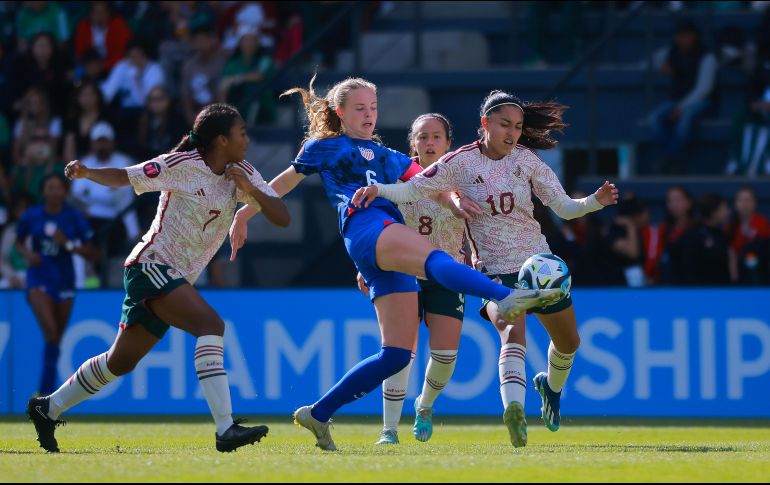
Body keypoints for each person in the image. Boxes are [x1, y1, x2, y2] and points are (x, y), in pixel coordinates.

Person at [228, 77, 560, 451]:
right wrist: (244, 212)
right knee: (433, 258)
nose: (368, 114)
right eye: (359, 108)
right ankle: (507, 296)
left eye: (373, 107)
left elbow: (432, 182)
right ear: (340, 113)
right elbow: (282, 184)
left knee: (397, 354)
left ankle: (318, 414)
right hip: (368, 226)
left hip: (381, 246)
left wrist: (452, 201)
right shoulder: (324, 147)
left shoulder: (389, 157)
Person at [352, 90, 619, 447]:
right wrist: (379, 190)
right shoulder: (459, 163)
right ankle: (515, 413)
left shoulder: (527, 160)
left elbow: (565, 208)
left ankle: (550, 388)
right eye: (505, 125)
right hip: (492, 271)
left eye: (518, 127)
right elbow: (411, 190)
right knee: (512, 333)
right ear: (485, 125)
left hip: (539, 265)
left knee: (569, 342)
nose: (513, 133)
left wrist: (593, 202)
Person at [27, 103, 290, 453]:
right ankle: (225, 429)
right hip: (151, 265)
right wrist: (87, 172)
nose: (248, 138)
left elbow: (282, 216)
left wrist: (251, 191)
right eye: (242, 132)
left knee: (120, 361)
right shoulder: (182, 165)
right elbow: (126, 175)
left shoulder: (242, 171)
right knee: (211, 325)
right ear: (222, 139)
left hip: (174, 276)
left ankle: (48, 408)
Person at [362, 113, 471, 445]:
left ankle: (424, 406)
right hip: (402, 271)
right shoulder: (395, 176)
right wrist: (364, 265)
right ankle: (389, 430)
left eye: (437, 136)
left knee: (446, 354)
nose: (430, 143)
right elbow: (374, 227)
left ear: (448, 143)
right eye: (423, 137)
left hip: (447, 272)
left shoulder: (464, 179)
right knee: (400, 351)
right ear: (413, 142)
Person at [14, 174, 96, 395]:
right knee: (51, 333)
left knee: (56, 339)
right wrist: (29, 255)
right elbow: (19, 242)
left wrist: (67, 244)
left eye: (58, 188)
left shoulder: (73, 216)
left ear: (64, 192)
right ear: (43, 191)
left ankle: (47, 396)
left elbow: (93, 253)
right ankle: (45, 392)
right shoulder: (32, 216)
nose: (54, 192)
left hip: (65, 279)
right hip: (38, 278)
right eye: (50, 187)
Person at [728, 187, 770, 284]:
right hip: (736, 270)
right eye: (741, 200)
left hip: (759, 271)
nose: (744, 204)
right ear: (735, 203)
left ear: (755, 203)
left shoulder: (762, 224)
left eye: (748, 200)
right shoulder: (730, 226)